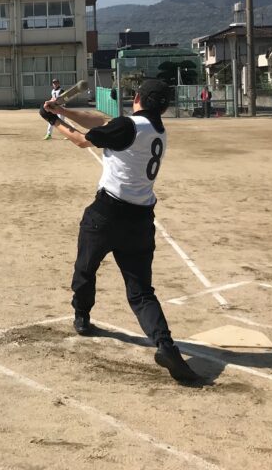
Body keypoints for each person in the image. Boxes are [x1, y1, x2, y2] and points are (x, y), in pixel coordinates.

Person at [40, 78, 201, 385]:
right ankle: (165, 345)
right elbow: (100, 122)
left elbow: (83, 140)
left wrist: (53, 120)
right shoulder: (157, 130)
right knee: (141, 292)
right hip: (140, 221)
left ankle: (82, 316)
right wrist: (63, 110)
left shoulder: (128, 126)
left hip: (106, 213)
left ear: (138, 97)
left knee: (85, 268)